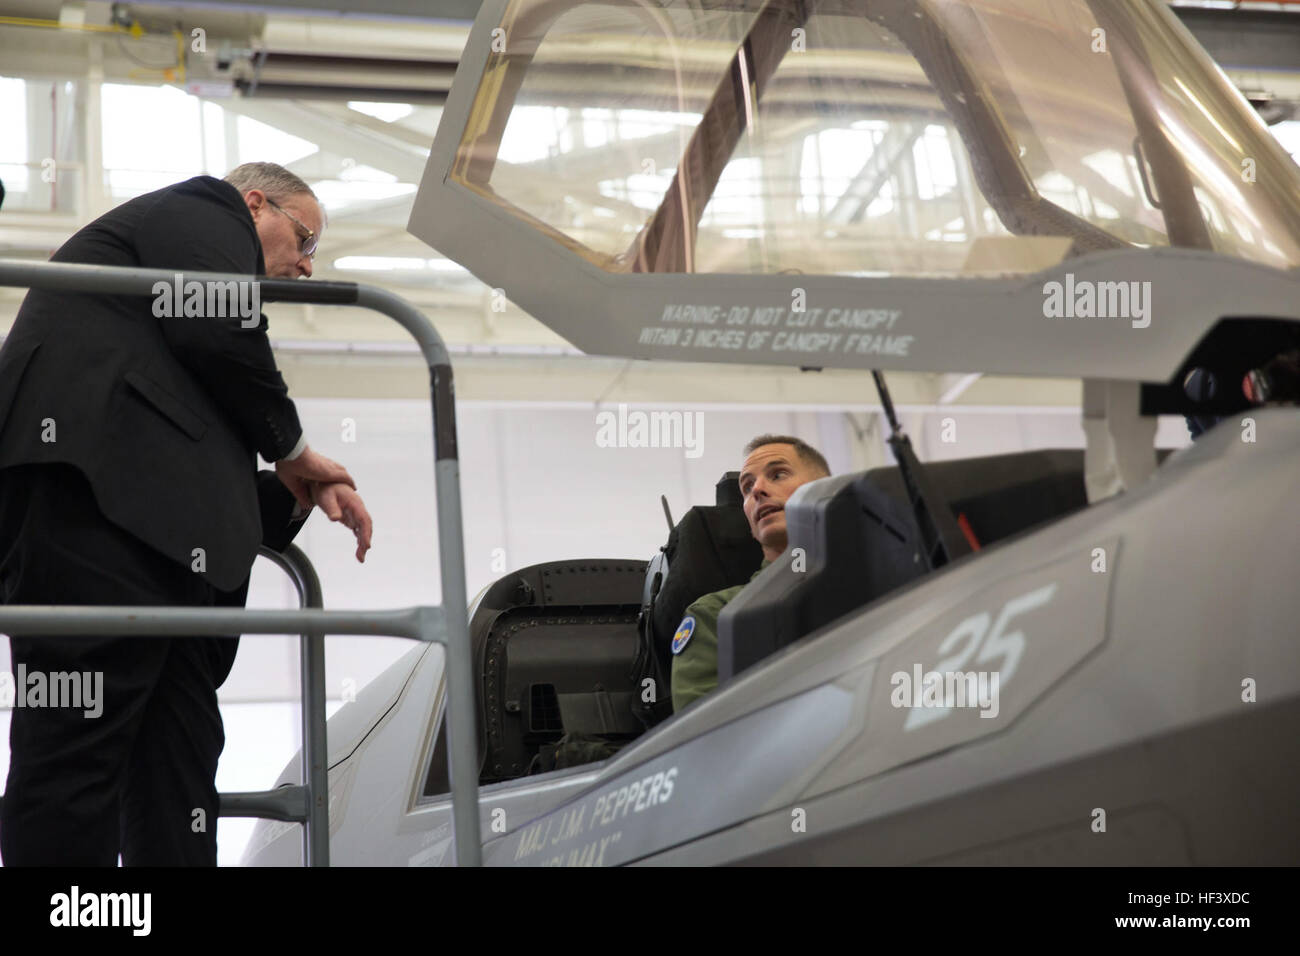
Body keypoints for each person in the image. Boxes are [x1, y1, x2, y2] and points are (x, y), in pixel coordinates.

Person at [0, 162, 372, 866]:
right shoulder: (204, 208)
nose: (304, 268)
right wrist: (292, 449)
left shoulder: (162, 361)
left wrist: (293, 493)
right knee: (76, 752)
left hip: (152, 548)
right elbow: (215, 328)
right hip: (97, 519)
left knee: (179, 770)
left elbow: (188, 461)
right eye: (304, 240)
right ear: (255, 202)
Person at [670, 435, 830, 712]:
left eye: (778, 474)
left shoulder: (886, 583)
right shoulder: (716, 615)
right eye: (746, 487)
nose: (757, 490)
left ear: (826, 490)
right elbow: (705, 731)